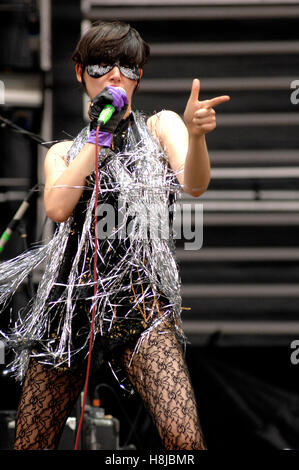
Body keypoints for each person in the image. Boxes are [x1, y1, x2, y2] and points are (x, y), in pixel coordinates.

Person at [1, 20, 230, 450]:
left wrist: (196, 135)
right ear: (79, 71)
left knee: (184, 441)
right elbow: (56, 207)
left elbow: (194, 183)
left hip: (140, 305)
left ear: (140, 75)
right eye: (101, 64)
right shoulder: (63, 153)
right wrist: (98, 135)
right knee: (30, 443)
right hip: (67, 309)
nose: (115, 74)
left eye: (128, 66)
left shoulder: (162, 127)